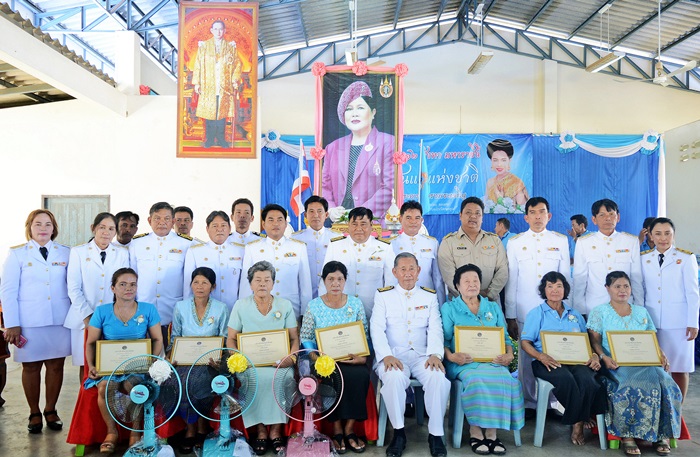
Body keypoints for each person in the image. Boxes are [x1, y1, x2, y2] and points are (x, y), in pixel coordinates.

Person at [587, 271, 681, 456]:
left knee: (667, 383)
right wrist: (603, 357)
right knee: (630, 385)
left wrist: (662, 354)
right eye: (617, 286)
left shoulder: (641, 311)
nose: (622, 290)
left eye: (626, 286)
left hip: (645, 361)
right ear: (608, 289)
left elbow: (652, 338)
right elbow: (594, 340)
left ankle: (662, 434)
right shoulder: (599, 312)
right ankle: (627, 436)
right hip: (616, 363)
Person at [370, 253, 449, 457]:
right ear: (395, 272)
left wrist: (434, 354)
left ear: (419, 271)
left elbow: (435, 328)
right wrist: (385, 355)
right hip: (394, 355)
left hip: (423, 355)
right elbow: (376, 328)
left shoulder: (429, 296)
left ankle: (436, 434)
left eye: (412, 268)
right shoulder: (383, 295)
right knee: (394, 378)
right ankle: (399, 432)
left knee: (438, 378)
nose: (407, 274)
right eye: (403, 269)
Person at [0, 209, 71, 433]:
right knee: (30, 367)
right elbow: (8, 291)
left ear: (54, 228)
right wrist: (12, 323)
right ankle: (33, 412)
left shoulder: (66, 253)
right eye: (38, 224)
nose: (43, 228)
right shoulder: (18, 254)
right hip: (28, 322)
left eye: (48, 224)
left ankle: (51, 410)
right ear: (29, 227)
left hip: (59, 320)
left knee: (56, 366)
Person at [442, 264, 523, 455]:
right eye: (466, 281)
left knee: (505, 379)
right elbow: (443, 339)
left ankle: (492, 432)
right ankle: (476, 431)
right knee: (476, 380)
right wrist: (452, 356)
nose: (472, 285)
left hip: (493, 360)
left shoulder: (492, 307)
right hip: (463, 362)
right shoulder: (449, 308)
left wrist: (509, 354)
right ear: (457, 286)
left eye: (475, 281)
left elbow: (504, 338)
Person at [82, 268, 163, 453]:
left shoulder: (148, 309)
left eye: (133, 284)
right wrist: (93, 365)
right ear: (113, 288)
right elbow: (91, 342)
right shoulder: (102, 311)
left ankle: (135, 432)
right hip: (110, 367)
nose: (129, 288)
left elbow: (158, 339)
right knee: (104, 387)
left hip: (139, 366)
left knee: (134, 386)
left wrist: (151, 362)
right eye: (123, 284)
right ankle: (112, 433)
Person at [520, 272, 606, 446]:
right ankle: (579, 422)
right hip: (545, 361)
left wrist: (594, 356)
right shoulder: (537, 314)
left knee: (588, 379)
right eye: (550, 286)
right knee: (565, 379)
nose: (554, 290)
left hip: (576, 360)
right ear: (544, 290)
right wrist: (540, 356)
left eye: (558, 286)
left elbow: (585, 341)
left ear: (565, 289)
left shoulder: (574, 314)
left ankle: (578, 417)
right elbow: (525, 342)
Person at [227, 261, 299, 456]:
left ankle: (276, 431)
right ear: (250, 284)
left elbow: (294, 338)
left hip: (279, 362)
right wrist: (238, 359)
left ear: (273, 283)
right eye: (257, 280)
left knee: (284, 377)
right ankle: (259, 430)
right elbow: (231, 339)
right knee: (251, 378)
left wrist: (291, 359)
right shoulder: (240, 306)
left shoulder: (284, 305)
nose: (262, 284)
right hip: (250, 363)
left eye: (267, 280)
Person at [504, 197, 570, 409]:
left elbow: (566, 277)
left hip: (555, 311)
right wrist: (511, 314)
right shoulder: (515, 243)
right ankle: (529, 403)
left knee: (555, 354)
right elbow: (512, 280)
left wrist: (567, 311)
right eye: (533, 212)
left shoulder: (560, 241)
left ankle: (554, 402)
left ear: (549, 216)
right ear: (526, 217)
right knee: (525, 359)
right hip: (526, 308)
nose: (538, 216)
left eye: (542, 212)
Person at [299, 261, 370, 453]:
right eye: (330, 279)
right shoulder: (314, 306)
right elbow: (306, 338)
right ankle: (337, 429)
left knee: (360, 376)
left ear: (345, 281)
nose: (335, 283)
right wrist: (317, 359)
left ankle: (349, 429)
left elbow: (364, 334)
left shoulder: (355, 303)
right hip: (323, 361)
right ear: (323, 281)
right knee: (332, 376)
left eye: (340, 279)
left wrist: (362, 358)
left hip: (351, 359)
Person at [171, 266, 229, 454]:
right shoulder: (180, 307)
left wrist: (219, 360)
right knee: (179, 380)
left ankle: (202, 427)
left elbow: (224, 338)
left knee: (200, 380)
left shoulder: (221, 308)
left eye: (205, 282)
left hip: (210, 363)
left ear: (212, 287)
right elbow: (175, 338)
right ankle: (190, 429)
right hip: (185, 361)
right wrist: (175, 357)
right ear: (190, 285)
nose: (200, 286)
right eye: (196, 282)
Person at [64, 212, 130, 378]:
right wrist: (88, 315)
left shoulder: (121, 253)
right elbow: (73, 288)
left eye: (111, 228)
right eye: (102, 227)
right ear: (93, 228)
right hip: (84, 318)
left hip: (112, 318)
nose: (106, 232)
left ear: (115, 232)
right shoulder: (78, 252)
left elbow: (124, 286)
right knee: (86, 366)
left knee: (112, 364)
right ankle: (87, 402)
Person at [641, 217, 699, 401]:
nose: (663, 238)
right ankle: (659, 408)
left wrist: (693, 322)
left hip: (678, 323)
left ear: (673, 235)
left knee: (679, 367)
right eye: (658, 233)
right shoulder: (644, 259)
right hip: (651, 321)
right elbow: (640, 291)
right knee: (654, 368)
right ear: (651, 235)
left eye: (668, 233)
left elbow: (693, 293)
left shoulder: (685, 258)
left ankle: (677, 410)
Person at [322, 80, 395, 220]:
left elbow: (389, 188)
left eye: (360, 108)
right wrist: (330, 209)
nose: (354, 114)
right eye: (349, 109)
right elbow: (324, 186)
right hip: (340, 222)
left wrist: (361, 212)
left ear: (373, 112)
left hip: (372, 222)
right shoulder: (333, 147)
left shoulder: (388, 142)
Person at [129, 202, 193, 333]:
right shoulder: (136, 243)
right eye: (157, 218)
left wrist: (187, 310)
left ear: (173, 221)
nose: (162, 222)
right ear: (149, 220)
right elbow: (132, 276)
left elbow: (188, 280)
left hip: (173, 310)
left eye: (167, 218)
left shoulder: (187, 244)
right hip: (142, 309)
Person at [320, 207, 395, 319]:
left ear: (371, 226)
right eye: (354, 224)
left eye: (363, 224)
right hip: (340, 309)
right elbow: (325, 279)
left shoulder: (384, 248)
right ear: (348, 226)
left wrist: (388, 310)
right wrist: (324, 307)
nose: (359, 228)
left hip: (374, 309)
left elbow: (391, 283)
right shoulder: (335, 246)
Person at [572, 199, 643, 316]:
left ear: (618, 217)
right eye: (602, 215)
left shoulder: (630, 241)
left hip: (625, 307)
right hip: (595, 307)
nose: (608, 218)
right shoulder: (584, 242)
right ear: (594, 220)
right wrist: (580, 311)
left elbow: (636, 278)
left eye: (611, 214)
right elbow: (580, 279)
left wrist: (639, 308)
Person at [239, 204, 312, 319]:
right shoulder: (252, 248)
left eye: (279, 220)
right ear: (263, 224)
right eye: (271, 220)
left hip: (291, 310)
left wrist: (305, 313)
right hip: (259, 310)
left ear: (285, 224)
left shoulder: (299, 247)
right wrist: (243, 311)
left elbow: (305, 284)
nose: (275, 224)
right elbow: (246, 284)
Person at [438, 197, 508, 302]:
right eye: (468, 212)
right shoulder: (448, 242)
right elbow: (449, 275)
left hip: (490, 302)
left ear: (482, 217)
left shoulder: (494, 241)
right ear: (460, 215)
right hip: (460, 304)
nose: (473, 216)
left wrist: (490, 294)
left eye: (477, 213)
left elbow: (502, 271)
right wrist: (470, 296)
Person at [192, 19, 242, 148]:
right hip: (208, 85)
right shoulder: (204, 46)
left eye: (221, 29)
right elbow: (197, 64)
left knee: (221, 114)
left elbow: (237, 64)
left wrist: (234, 79)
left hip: (224, 86)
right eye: (216, 29)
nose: (218, 32)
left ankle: (221, 138)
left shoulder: (231, 47)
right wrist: (197, 83)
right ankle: (209, 139)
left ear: (224, 31)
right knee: (210, 113)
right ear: (212, 30)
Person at [184, 211, 244, 310]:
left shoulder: (241, 251)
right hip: (205, 310)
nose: (219, 229)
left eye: (223, 225)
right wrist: (189, 311)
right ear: (207, 229)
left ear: (229, 228)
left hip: (234, 309)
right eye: (215, 226)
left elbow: (245, 283)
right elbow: (188, 286)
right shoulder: (195, 251)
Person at [390, 200, 446, 305]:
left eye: (417, 218)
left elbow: (437, 278)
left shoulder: (432, 243)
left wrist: (441, 304)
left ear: (422, 220)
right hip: (400, 299)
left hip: (426, 298)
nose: (413, 221)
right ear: (400, 219)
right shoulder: (391, 244)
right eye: (408, 218)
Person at [291, 196, 341, 299]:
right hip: (304, 294)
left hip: (330, 293)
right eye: (311, 211)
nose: (316, 215)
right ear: (305, 215)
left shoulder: (337, 238)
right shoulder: (295, 239)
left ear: (326, 214)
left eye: (319, 211)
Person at [484, 139, 528, 207]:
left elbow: (522, 210)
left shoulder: (516, 183)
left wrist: (501, 200)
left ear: (509, 160)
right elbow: (486, 207)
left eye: (503, 160)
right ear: (491, 161)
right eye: (495, 160)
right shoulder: (490, 182)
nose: (499, 164)